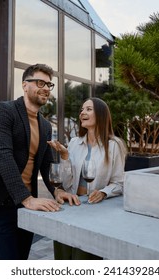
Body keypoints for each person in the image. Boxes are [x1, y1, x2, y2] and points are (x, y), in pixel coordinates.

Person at [0, 63, 80, 260]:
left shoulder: (45, 125)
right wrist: (27, 199)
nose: (46, 88)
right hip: (2, 201)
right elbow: (3, 155)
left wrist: (58, 189)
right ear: (24, 85)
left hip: (27, 203)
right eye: (40, 82)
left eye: (49, 84)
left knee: (22, 258)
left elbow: (46, 164)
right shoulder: (3, 111)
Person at [48, 97, 127, 260]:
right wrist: (64, 156)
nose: (82, 112)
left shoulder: (114, 145)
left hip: (94, 213)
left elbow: (120, 183)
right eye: (82, 110)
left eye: (88, 109)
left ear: (101, 115)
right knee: (62, 257)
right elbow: (67, 182)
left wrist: (104, 192)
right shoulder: (75, 143)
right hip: (70, 208)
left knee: (83, 258)